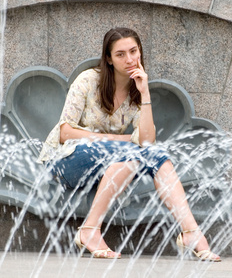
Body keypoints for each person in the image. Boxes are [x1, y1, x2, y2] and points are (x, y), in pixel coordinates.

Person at [38, 27, 220, 261]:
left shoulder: (137, 91)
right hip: (65, 162)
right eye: (120, 54)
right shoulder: (88, 80)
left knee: (145, 155)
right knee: (133, 152)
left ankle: (191, 232)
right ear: (109, 59)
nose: (130, 59)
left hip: (104, 165)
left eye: (133, 51)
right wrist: (118, 140)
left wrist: (144, 93)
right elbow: (65, 132)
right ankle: (90, 231)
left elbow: (145, 141)